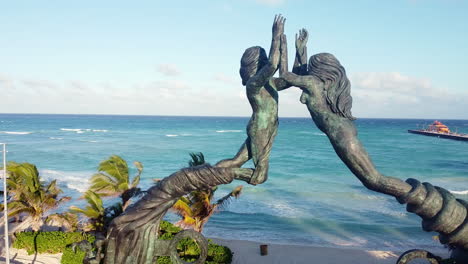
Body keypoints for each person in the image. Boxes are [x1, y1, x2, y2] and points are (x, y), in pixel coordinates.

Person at [278, 32, 412, 197]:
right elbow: (301, 74)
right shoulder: (317, 84)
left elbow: (285, 75)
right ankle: (421, 197)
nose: (308, 71)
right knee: (374, 179)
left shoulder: (313, 83)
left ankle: (421, 197)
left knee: (374, 180)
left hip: (340, 132)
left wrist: (280, 43)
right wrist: (301, 50)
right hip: (344, 127)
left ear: (318, 70)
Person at [216, 15, 290, 185]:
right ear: (255, 64)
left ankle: (212, 172)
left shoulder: (270, 84)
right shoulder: (253, 84)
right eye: (262, 60)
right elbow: (273, 65)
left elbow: (289, 77)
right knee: (260, 176)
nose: (266, 63)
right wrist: (276, 35)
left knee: (236, 161)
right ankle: (218, 174)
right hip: (260, 129)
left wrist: (294, 49)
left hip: (266, 128)